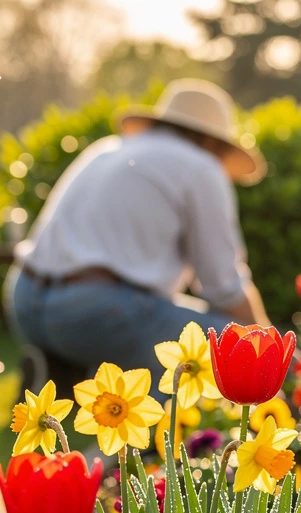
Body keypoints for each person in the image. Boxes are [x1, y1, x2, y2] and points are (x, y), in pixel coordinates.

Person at [4, 79, 271, 380]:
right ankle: (165, 405)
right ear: (214, 143)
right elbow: (223, 287)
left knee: (166, 312)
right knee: (233, 346)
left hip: (24, 301)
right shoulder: (201, 167)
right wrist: (266, 343)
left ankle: (63, 372)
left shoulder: (107, 148)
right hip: (94, 313)